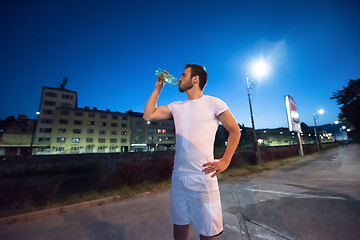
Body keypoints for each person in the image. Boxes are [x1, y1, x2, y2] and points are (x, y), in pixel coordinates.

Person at [143, 64, 241, 240]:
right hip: (179, 177)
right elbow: (149, 115)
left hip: (203, 177)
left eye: (183, 75)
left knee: (208, 233)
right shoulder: (177, 106)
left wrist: (225, 161)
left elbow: (235, 130)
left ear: (195, 79)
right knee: (180, 228)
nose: (179, 79)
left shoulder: (214, 103)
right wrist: (158, 88)